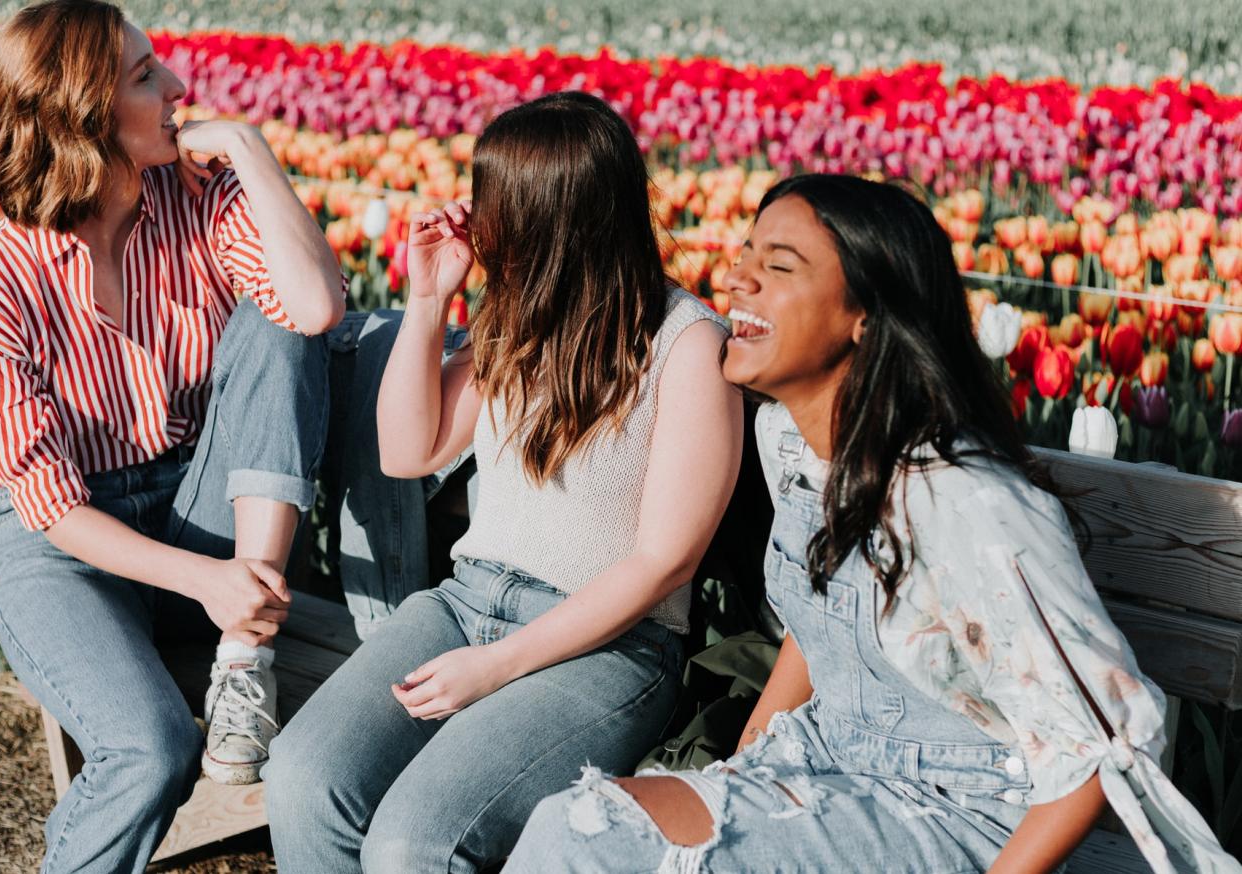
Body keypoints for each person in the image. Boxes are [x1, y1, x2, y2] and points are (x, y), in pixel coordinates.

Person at [504, 175, 1240, 873]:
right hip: (830, 766)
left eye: (780, 266)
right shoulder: (790, 445)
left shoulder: (963, 501)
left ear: (866, 316)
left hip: (964, 817)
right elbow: (823, 626)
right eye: (745, 257)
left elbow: (1098, 742)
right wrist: (743, 768)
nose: (737, 279)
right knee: (579, 827)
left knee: (587, 842)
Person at [263, 91, 744, 874]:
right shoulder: (520, 320)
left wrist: (495, 666)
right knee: (303, 779)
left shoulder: (687, 345)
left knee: (414, 841)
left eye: (490, 199)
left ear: (549, 217)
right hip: (462, 607)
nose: (473, 216)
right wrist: (427, 301)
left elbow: (664, 563)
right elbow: (407, 451)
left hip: (607, 648)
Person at [0, 1, 347, 869]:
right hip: (68, 550)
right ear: (82, 114)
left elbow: (312, 309)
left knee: (277, 325)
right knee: (151, 751)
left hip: (196, 501)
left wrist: (245, 144)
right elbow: (49, 505)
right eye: (144, 76)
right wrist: (208, 578)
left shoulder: (198, 199)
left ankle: (245, 661)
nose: (177, 88)